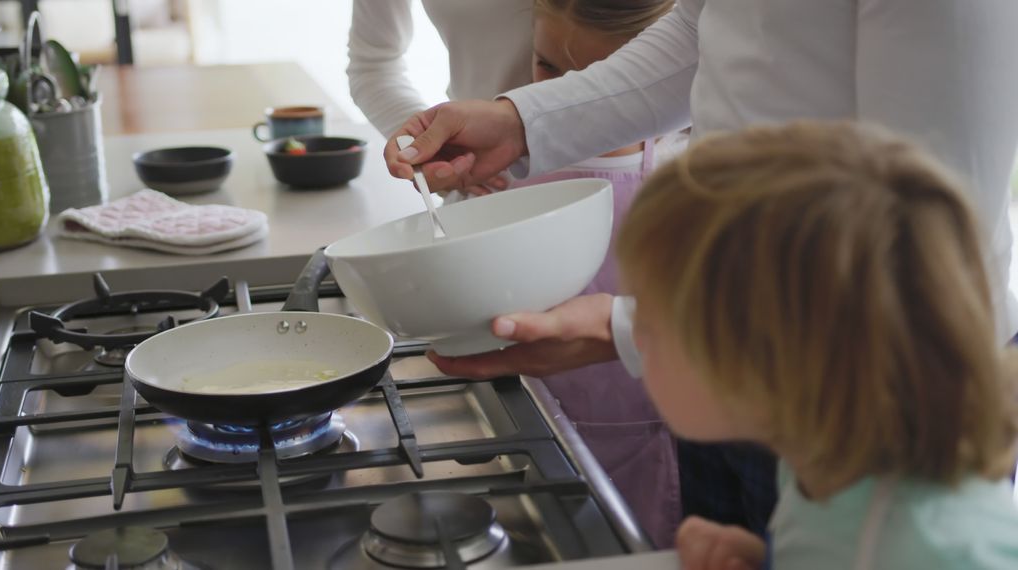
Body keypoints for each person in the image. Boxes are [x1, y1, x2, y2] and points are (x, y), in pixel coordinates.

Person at [383, 0, 1018, 538]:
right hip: (739, 353)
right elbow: (704, 24)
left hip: (866, 387)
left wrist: (640, 330)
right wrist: (525, 119)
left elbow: (933, 234)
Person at [621, 121, 1018, 569]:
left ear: (762, 365)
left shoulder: (942, 549)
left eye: (651, 324)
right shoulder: (816, 462)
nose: (634, 336)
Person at [506, 0, 685, 547]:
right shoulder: (507, 178)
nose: (566, 102)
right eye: (548, 70)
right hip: (536, 435)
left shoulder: (688, 179)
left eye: (602, 85)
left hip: (658, 448)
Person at [348, 0, 530, 195]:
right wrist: (433, 145)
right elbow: (373, 67)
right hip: (478, 198)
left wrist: (522, 120)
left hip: (564, 195)